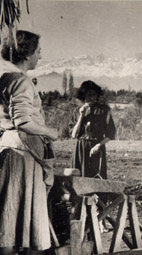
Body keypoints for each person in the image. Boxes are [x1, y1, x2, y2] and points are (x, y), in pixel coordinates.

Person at [0, 30, 58, 255]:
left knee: (9, 216)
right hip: (24, 153)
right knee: (23, 218)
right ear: (26, 54)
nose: (40, 57)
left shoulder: (5, 79)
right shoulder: (21, 81)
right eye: (39, 51)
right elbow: (23, 122)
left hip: (8, 149)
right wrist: (50, 132)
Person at [69, 80, 116, 179]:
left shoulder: (104, 110)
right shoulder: (77, 111)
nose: (92, 98)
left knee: (96, 178)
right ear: (83, 96)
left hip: (96, 148)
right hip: (80, 149)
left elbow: (111, 134)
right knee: (79, 179)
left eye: (94, 95)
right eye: (88, 95)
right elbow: (74, 135)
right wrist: (81, 116)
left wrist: (99, 145)